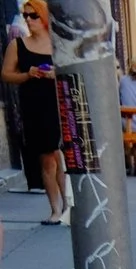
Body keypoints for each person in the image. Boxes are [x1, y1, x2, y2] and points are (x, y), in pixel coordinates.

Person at [1, 0, 67, 223]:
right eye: (26, 15)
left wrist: (54, 74)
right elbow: (6, 75)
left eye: (33, 15)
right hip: (34, 106)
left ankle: (66, 204)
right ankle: (55, 209)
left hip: (58, 105)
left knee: (59, 156)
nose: (28, 20)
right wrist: (28, 74)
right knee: (47, 158)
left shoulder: (58, 43)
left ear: (44, 17)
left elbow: (71, 71)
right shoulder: (18, 45)